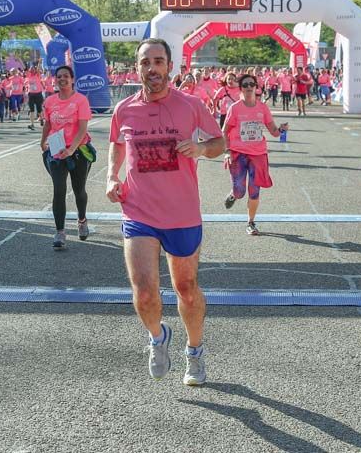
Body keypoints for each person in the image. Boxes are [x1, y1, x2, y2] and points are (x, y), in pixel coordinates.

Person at [106, 38, 224, 386]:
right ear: (137, 67)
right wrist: (113, 176)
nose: (152, 68)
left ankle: (195, 350)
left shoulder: (190, 105)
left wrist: (201, 148)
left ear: (169, 67)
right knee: (144, 291)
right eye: (146, 62)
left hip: (182, 214)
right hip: (138, 210)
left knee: (186, 288)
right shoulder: (124, 109)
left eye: (158, 61)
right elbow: (116, 144)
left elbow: (220, 143)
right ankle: (158, 338)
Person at [222, 73, 288, 235]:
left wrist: (281, 129)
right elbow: (225, 132)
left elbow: (273, 131)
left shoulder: (263, 108)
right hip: (238, 153)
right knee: (240, 191)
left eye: (252, 84)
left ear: (256, 87)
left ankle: (250, 222)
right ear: (241, 88)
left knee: (254, 190)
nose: (249, 87)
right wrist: (227, 152)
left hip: (258, 154)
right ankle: (233, 194)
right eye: (245, 85)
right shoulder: (235, 108)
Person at [41, 66, 94, 249]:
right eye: (59, 76)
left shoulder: (81, 100)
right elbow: (48, 123)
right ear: (55, 80)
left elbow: (82, 128)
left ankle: (82, 219)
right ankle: (60, 232)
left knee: (79, 190)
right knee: (59, 189)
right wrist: (42, 142)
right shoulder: (49, 101)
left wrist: (71, 150)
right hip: (56, 151)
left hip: (78, 151)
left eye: (66, 76)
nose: (62, 79)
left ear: (72, 79)